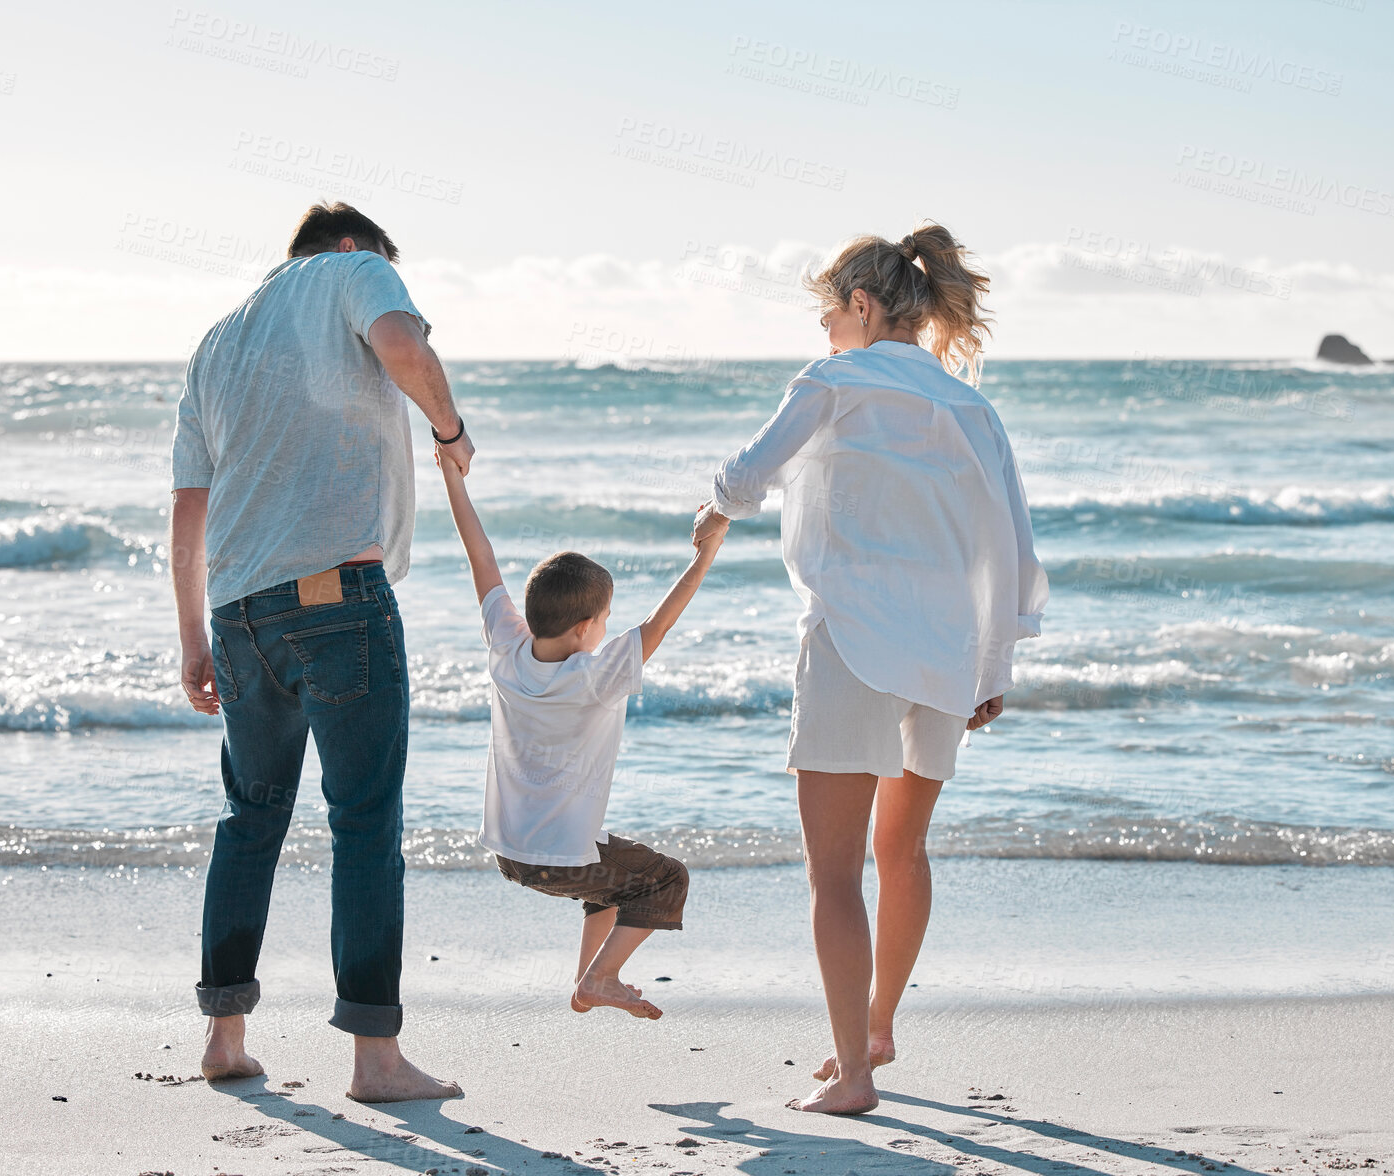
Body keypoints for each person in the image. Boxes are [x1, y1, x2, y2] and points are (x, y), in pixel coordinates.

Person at [693, 223, 1048, 1114]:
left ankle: (854, 1074)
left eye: (829, 314)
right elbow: (1009, 541)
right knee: (905, 849)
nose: (824, 333)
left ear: (860, 304)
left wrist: (714, 511)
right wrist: (994, 660)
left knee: (836, 873)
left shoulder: (833, 380)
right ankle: (879, 1026)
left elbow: (744, 478)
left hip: (852, 640)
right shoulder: (972, 406)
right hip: (948, 652)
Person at [169, 202, 473, 1101]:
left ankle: (225, 1037)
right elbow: (404, 349)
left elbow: (190, 508)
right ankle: (375, 1059)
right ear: (351, 247)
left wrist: (193, 636)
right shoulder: (353, 271)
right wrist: (451, 433)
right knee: (365, 824)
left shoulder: (216, 342)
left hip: (239, 615)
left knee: (250, 819)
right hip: (339, 599)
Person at [437, 448, 727, 1019]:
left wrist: (452, 476)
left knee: (608, 872)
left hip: (511, 853)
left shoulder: (506, 649)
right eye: (604, 620)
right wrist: (705, 555)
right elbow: (661, 623)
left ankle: (586, 980)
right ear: (581, 629)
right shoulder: (594, 677)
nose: (607, 630)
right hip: (558, 857)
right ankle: (603, 977)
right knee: (664, 880)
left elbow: (481, 557)